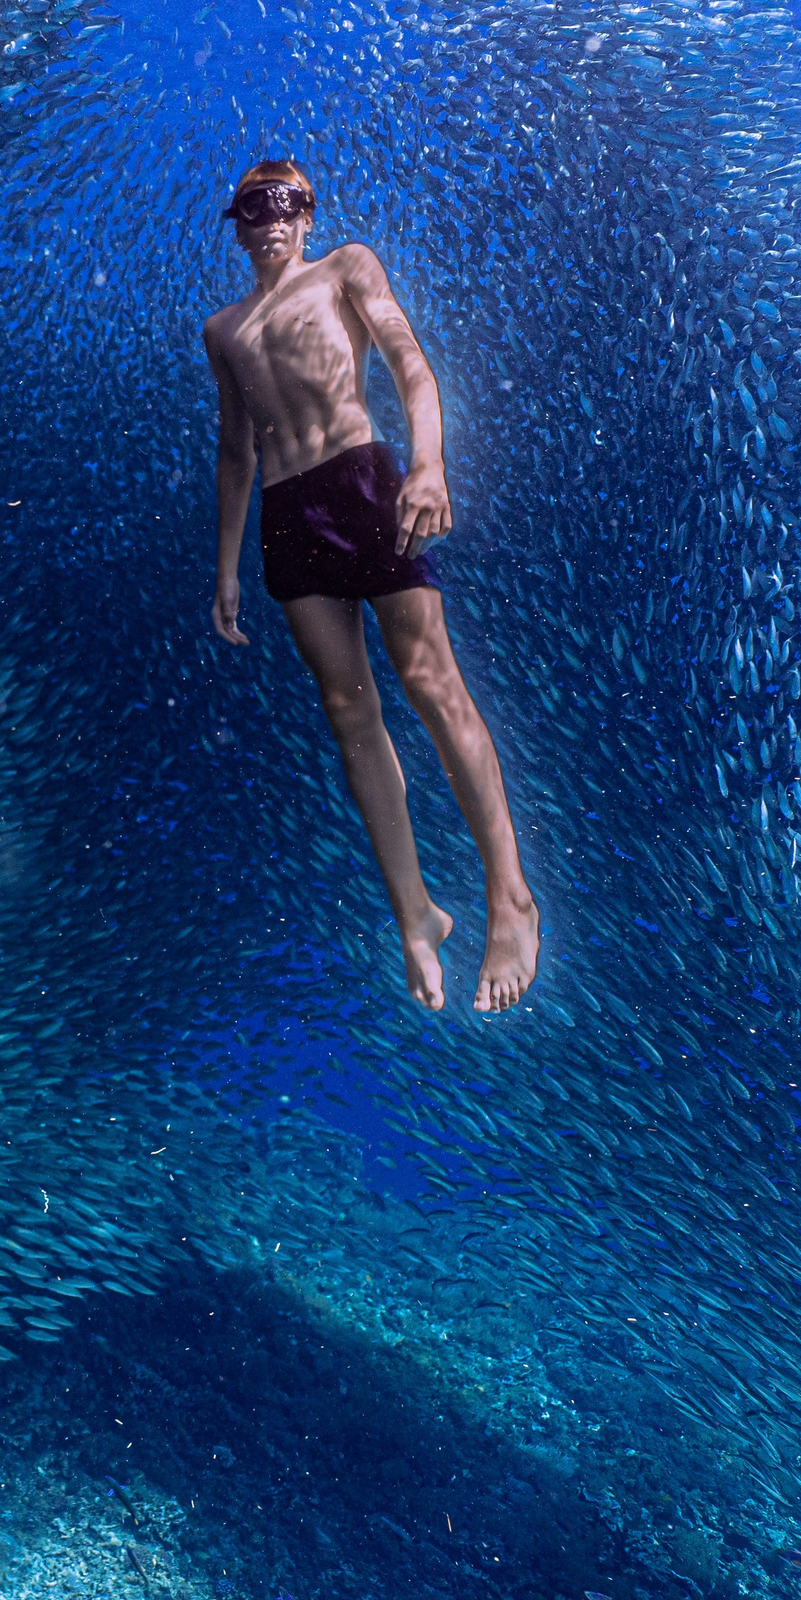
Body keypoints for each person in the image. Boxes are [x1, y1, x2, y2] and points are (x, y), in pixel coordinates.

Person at [203, 158, 541, 1013]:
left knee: (431, 683)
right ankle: (415, 914)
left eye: (287, 203)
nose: (272, 218)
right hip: (286, 515)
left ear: (309, 215)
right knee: (349, 711)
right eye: (254, 207)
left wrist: (429, 466)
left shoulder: (347, 267)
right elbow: (234, 451)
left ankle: (510, 895)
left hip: (361, 479)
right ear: (236, 224)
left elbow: (409, 363)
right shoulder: (223, 329)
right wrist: (228, 568)